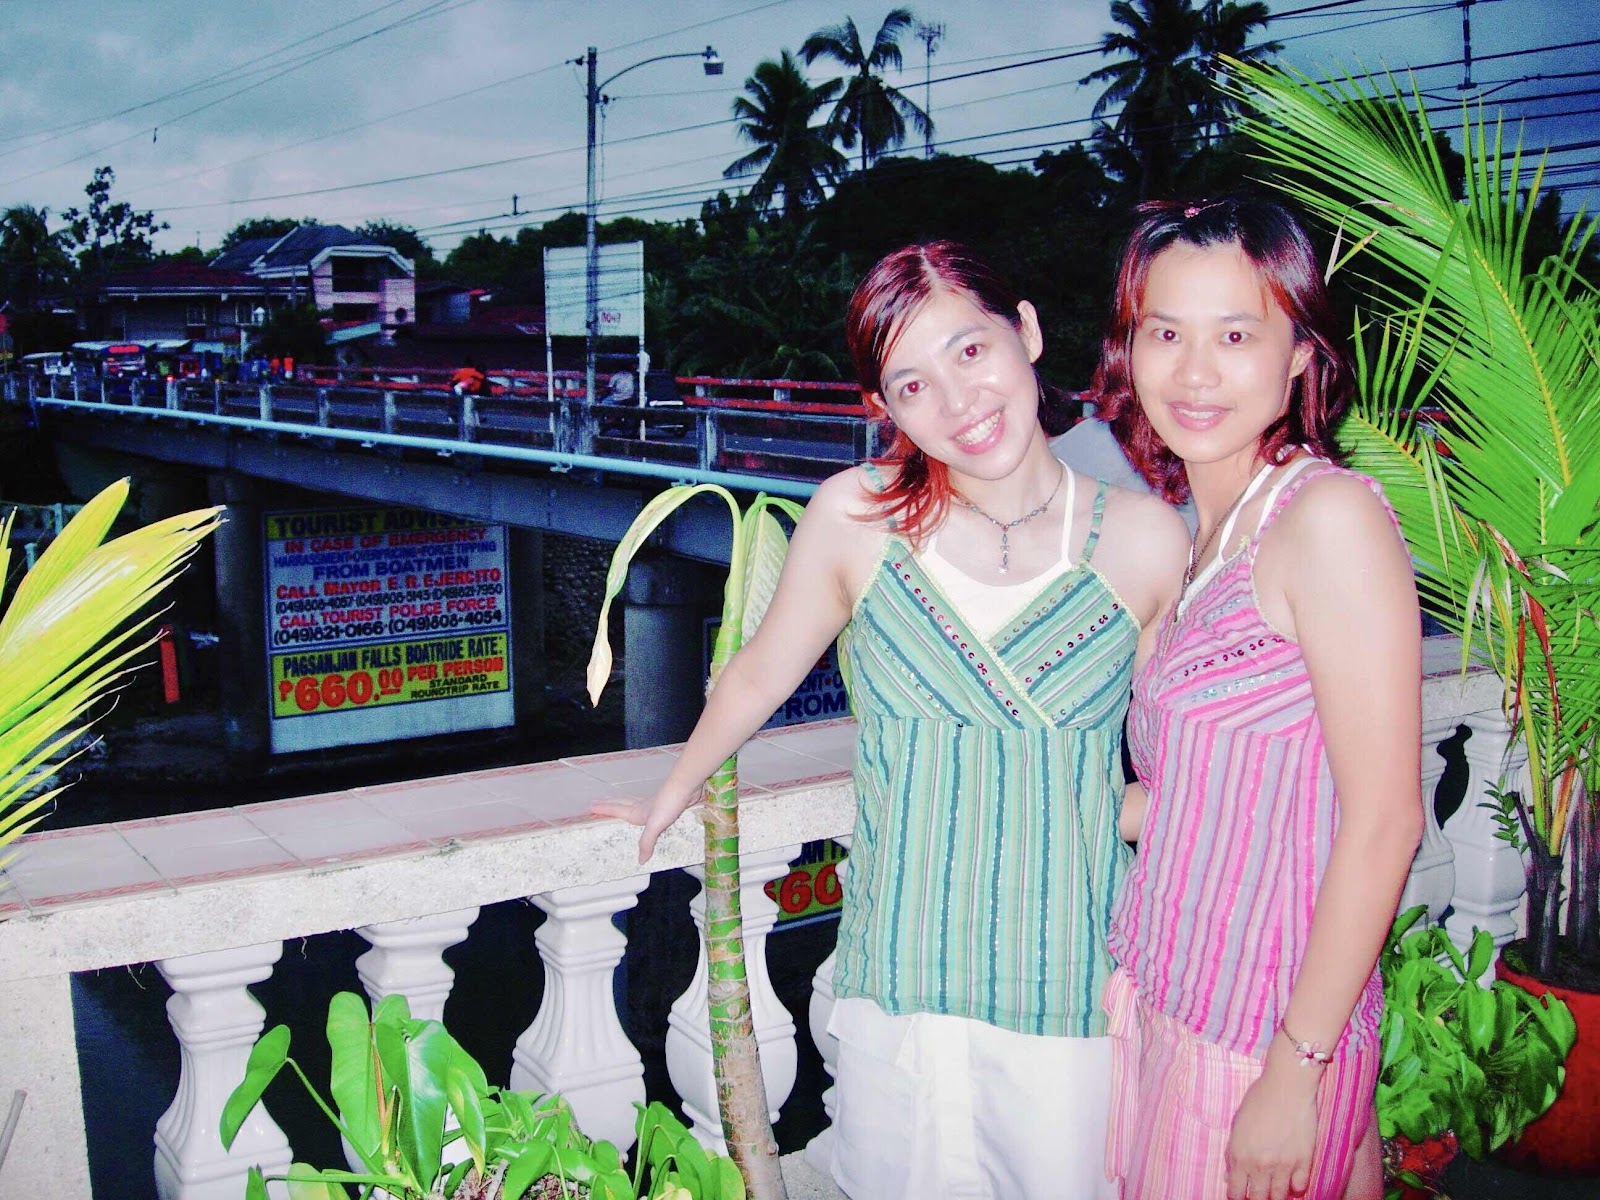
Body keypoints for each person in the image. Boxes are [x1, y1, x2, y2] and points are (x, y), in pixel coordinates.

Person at [594, 240, 1188, 1199]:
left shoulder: (1146, 539)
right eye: (913, 385)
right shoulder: (856, 519)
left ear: (1027, 332)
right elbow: (759, 674)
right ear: (885, 407)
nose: (958, 402)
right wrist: (671, 790)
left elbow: (1168, 775)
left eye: (971, 351)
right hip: (902, 982)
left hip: (1072, 988)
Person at [1089, 194, 1424, 1200]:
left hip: (1259, 1036)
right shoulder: (1202, 535)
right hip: (1170, 995)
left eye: (1235, 335)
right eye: (1166, 333)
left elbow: (1385, 822)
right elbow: (1202, 799)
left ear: (1298, 356)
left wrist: (1295, 1072)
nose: (1194, 372)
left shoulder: (1325, 519)